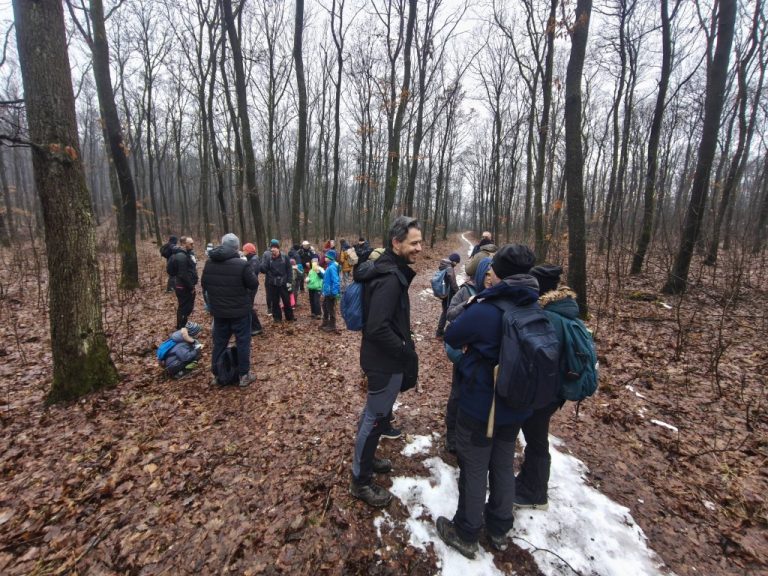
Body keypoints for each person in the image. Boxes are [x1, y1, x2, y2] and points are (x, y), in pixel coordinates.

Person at [437, 244, 539, 558]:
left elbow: (452, 336)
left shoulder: (485, 309)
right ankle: (499, 527)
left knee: (474, 465)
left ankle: (466, 531)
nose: (488, 272)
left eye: (493, 268)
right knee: (504, 463)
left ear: (502, 275)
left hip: (481, 406)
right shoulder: (535, 308)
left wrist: (473, 344)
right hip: (516, 406)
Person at [349, 216, 422, 508]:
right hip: (384, 361)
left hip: (380, 358)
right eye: (414, 242)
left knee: (375, 415)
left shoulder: (389, 270)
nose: (419, 247)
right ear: (396, 242)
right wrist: (405, 349)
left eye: (420, 241)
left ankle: (367, 459)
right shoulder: (390, 278)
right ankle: (360, 480)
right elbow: (378, 327)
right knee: (375, 417)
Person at [514, 264, 572, 511]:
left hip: (544, 390)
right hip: (555, 390)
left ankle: (534, 492)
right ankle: (531, 482)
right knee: (537, 436)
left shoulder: (548, 317)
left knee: (536, 438)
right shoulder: (566, 310)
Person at [443, 257, 493, 454]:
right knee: (457, 394)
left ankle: (471, 431)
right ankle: (452, 433)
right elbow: (450, 314)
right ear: (480, 274)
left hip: (484, 357)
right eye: (486, 274)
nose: (489, 279)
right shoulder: (466, 290)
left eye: (492, 274)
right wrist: (468, 305)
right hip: (464, 355)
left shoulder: (498, 294)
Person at [201, 233, 259, 387]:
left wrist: (212, 305)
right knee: (243, 342)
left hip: (219, 313)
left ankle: (217, 376)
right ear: (236, 247)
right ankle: (243, 375)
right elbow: (253, 284)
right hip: (240, 313)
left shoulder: (209, 263)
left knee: (219, 343)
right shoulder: (242, 264)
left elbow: (204, 286)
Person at [261, 239, 295, 322]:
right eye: (271, 247)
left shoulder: (285, 257)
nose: (273, 249)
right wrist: (261, 265)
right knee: (275, 302)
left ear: (278, 248)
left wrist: (289, 281)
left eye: (275, 247)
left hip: (284, 283)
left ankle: (290, 317)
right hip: (273, 283)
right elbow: (263, 270)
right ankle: (277, 318)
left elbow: (289, 269)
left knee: (287, 301)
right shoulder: (268, 259)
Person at [168, 236, 198, 329]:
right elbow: (182, 274)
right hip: (183, 286)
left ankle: (182, 326)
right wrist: (191, 287)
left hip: (184, 285)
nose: (193, 245)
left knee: (185, 307)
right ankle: (181, 328)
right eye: (191, 244)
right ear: (184, 244)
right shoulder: (181, 256)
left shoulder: (186, 254)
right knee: (184, 307)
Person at [435, 252, 461, 338]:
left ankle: (440, 330)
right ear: (454, 261)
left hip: (444, 291)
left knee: (445, 311)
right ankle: (442, 331)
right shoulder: (449, 268)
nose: (457, 264)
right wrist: (458, 292)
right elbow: (453, 282)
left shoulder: (444, 265)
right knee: (450, 312)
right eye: (457, 262)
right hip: (449, 294)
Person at [242, 243, 264, 336]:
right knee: (248, 306)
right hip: (250, 286)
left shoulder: (254, 260)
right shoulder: (251, 259)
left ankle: (256, 327)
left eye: (244, 250)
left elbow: (252, 274)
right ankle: (252, 326)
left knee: (248, 306)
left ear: (248, 251)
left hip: (251, 287)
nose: (243, 252)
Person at [320, 249, 341, 331]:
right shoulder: (329, 267)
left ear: (330, 258)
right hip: (327, 292)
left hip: (331, 292)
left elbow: (336, 280)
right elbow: (325, 277)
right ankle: (325, 322)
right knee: (324, 306)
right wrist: (319, 272)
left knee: (330, 308)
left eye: (326, 257)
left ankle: (332, 325)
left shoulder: (332, 267)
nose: (325, 258)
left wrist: (334, 293)